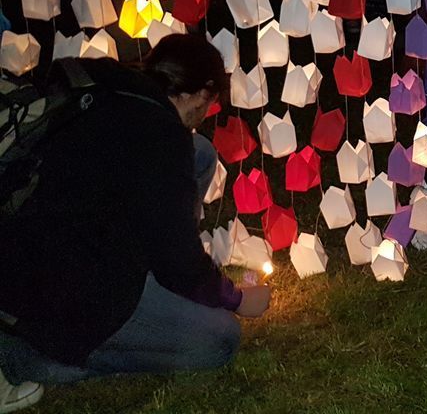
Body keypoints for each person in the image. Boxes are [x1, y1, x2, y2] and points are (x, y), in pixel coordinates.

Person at [0, 34, 270, 412]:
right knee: (220, 339)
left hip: (27, 240)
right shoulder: (160, 142)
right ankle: (22, 358)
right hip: (62, 289)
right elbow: (181, 267)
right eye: (210, 103)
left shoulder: (102, 82)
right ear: (201, 93)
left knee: (201, 154)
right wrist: (238, 299)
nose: (206, 113)